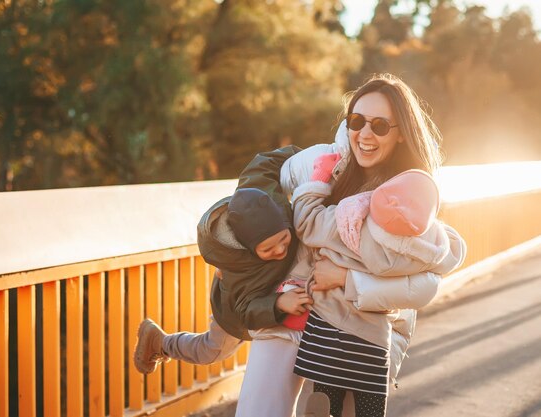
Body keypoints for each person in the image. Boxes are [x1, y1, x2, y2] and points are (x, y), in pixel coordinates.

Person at [234, 73, 466, 417]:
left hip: (355, 341)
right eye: (356, 121)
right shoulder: (337, 169)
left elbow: (424, 283)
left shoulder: (405, 198)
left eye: (380, 126)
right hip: (301, 319)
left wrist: (345, 278)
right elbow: (269, 178)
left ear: (402, 132)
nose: (365, 134)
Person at [133, 146, 314, 375]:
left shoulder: (265, 199)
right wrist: (277, 303)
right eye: (268, 249)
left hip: (269, 289)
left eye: (284, 238)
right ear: (249, 247)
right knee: (210, 351)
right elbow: (244, 309)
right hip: (237, 307)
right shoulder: (241, 274)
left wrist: (314, 154)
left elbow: (263, 162)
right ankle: (161, 342)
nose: (280, 249)